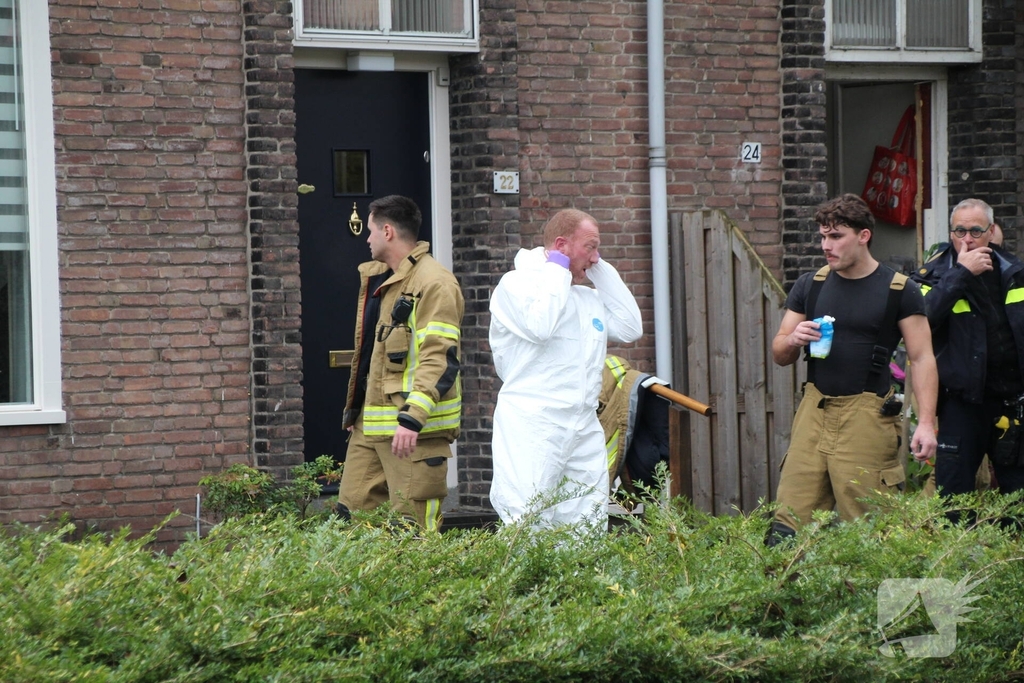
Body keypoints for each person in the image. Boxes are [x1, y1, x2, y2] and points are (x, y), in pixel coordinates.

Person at [767, 193, 938, 544]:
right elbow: (779, 352)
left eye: (836, 236)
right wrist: (793, 339)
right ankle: (785, 599)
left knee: (870, 531)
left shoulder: (899, 289)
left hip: (868, 416)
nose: (826, 246)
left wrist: (925, 423)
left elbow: (922, 358)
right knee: (786, 527)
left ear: (863, 236)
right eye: (822, 236)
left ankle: (874, 599)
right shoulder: (810, 284)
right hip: (814, 411)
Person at [488, 209, 643, 529]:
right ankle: (525, 581)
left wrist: (598, 270)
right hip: (533, 423)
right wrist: (558, 269)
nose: (596, 256)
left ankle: (578, 579)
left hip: (583, 424)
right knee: (528, 517)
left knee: (586, 518)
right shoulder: (516, 285)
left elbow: (630, 328)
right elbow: (540, 325)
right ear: (561, 245)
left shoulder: (586, 298)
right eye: (591, 247)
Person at [336, 195, 464, 532]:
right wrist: (356, 410)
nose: (366, 238)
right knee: (352, 522)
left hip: (413, 434)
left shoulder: (434, 284)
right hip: (370, 429)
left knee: (414, 532)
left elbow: (440, 358)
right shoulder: (383, 280)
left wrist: (412, 418)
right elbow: (371, 356)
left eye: (371, 230)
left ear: (388, 231)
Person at [912, 198, 1024, 501]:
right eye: (959, 231)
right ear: (950, 233)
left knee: (1016, 502)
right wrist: (961, 273)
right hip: (962, 406)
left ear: (991, 231)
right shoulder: (930, 275)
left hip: (1011, 403)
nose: (967, 239)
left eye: (976, 231)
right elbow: (921, 321)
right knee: (954, 504)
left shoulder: (1015, 271)